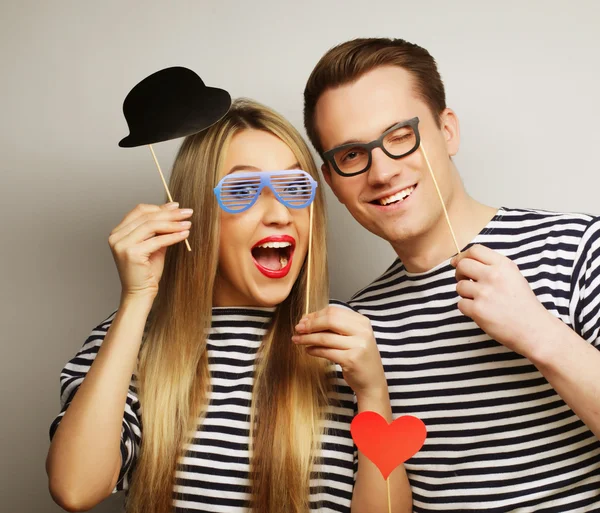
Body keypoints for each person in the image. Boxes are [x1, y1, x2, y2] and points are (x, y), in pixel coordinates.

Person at [46, 98, 412, 513]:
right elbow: (75, 489)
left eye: (293, 188)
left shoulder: (352, 340)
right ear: (196, 214)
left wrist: (373, 392)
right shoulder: (129, 342)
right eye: (243, 190)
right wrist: (137, 299)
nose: (279, 214)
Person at [302, 38, 600, 512]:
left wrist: (541, 335)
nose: (381, 172)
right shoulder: (355, 330)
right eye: (352, 155)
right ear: (333, 180)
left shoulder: (579, 248)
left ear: (447, 131)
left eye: (400, 135)